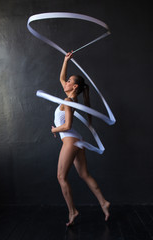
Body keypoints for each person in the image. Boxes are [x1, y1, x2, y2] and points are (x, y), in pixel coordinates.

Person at [51, 52, 110, 226]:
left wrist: (55, 129)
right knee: (84, 174)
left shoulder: (67, 101)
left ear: (75, 86)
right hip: (76, 139)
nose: (65, 82)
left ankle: (73, 211)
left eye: (69, 81)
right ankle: (103, 202)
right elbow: (61, 77)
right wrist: (65, 60)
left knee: (61, 177)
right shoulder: (71, 97)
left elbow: (67, 125)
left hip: (70, 139)